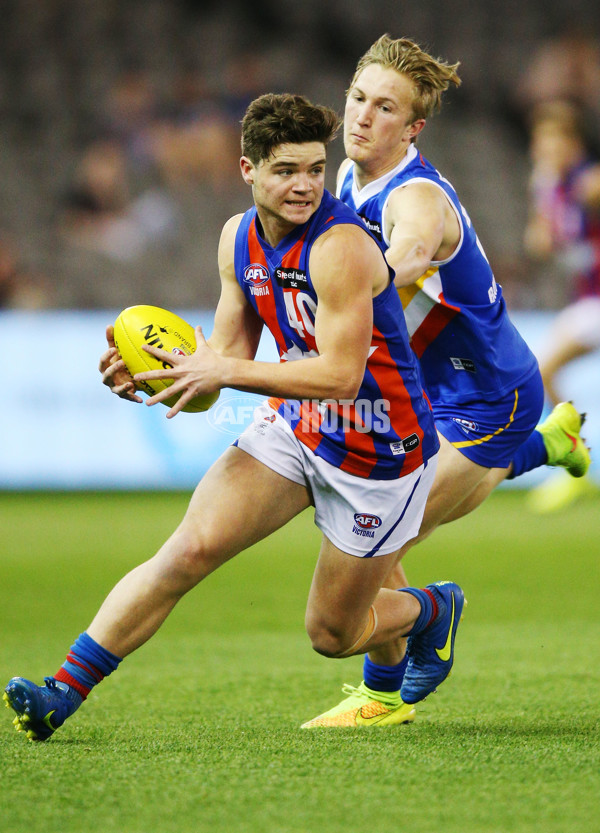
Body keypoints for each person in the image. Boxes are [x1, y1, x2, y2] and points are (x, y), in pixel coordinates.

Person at [4, 93, 463, 741]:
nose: (304, 184)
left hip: (380, 453)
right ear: (246, 170)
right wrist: (159, 380)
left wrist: (217, 369)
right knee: (186, 550)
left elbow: (339, 376)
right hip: (297, 427)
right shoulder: (236, 238)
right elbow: (219, 374)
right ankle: (60, 691)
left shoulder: (341, 247)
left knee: (333, 634)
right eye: (285, 170)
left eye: (313, 168)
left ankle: (432, 608)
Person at [301, 35, 591, 728]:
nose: (364, 116)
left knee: (379, 538)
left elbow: (406, 255)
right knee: (367, 516)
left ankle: (383, 691)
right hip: (431, 393)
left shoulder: (419, 198)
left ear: (414, 127)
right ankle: (553, 444)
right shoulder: (348, 176)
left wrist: (352, 294)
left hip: (491, 394)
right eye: (358, 98)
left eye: (386, 107)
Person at [523, 100, 600, 512]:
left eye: (552, 139)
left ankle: (573, 453)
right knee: (542, 372)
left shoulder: (590, 183)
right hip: (588, 302)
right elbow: (540, 244)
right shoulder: (550, 185)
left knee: (542, 370)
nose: (544, 147)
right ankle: (575, 457)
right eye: (540, 140)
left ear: (572, 142)